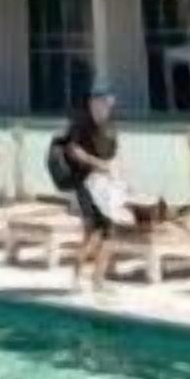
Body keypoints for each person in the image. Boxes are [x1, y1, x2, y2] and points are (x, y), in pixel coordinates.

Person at [53, 83, 129, 294]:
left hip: (105, 184)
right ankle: (77, 278)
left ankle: (98, 279)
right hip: (86, 183)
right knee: (93, 231)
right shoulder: (81, 125)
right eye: (101, 102)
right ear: (92, 103)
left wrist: (118, 175)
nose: (105, 106)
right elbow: (74, 151)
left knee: (109, 232)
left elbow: (114, 155)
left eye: (108, 102)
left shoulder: (110, 126)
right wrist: (98, 164)